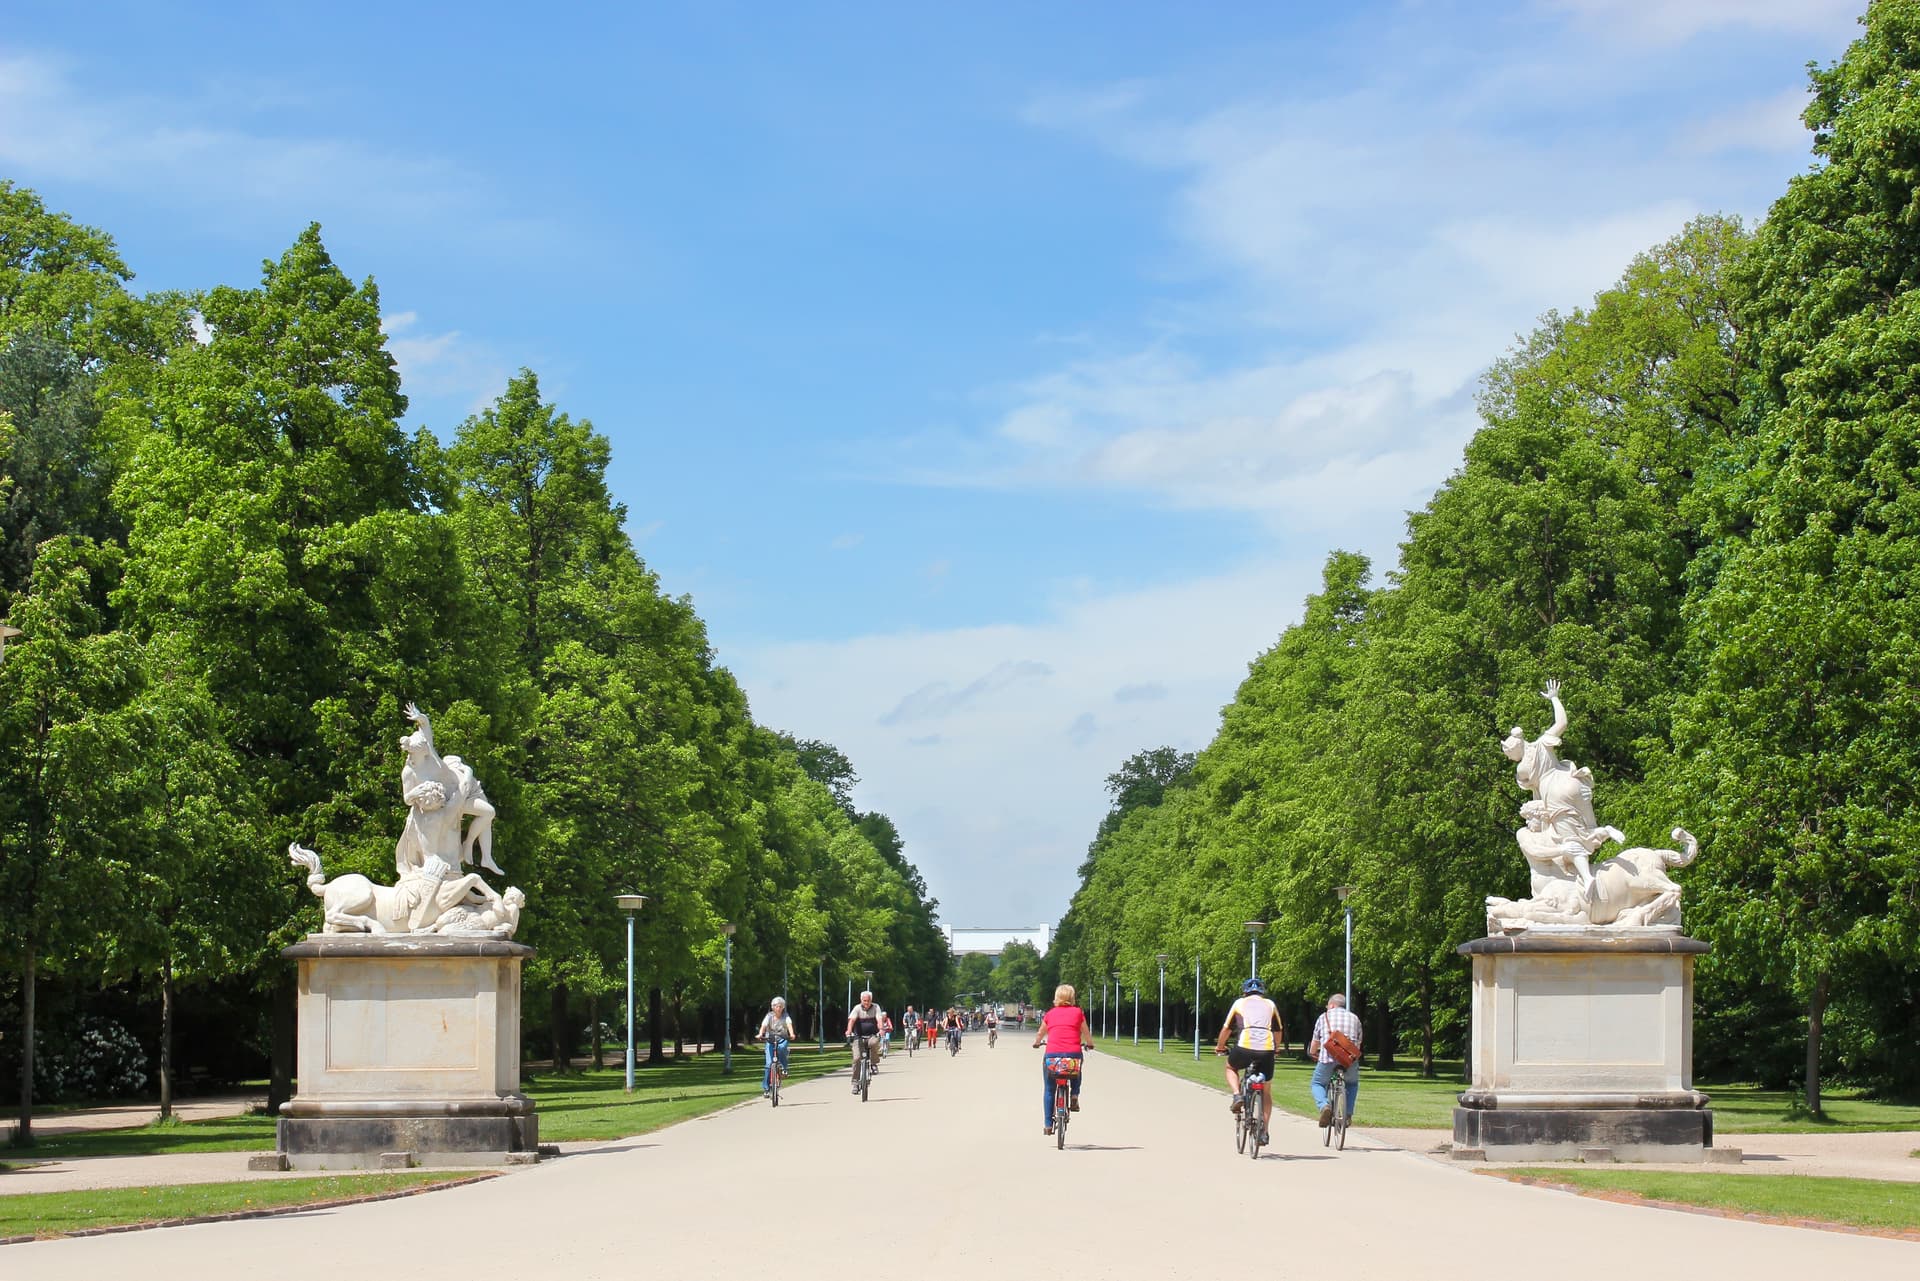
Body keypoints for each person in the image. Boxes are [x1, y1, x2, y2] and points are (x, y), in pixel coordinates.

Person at [1214, 977, 1282, 1144]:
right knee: (1266, 1091)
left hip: (1244, 1047)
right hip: (1266, 1049)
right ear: (1262, 992)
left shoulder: (1239, 1003)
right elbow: (1278, 1030)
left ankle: (1237, 1095)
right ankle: (1264, 1131)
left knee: (1230, 1067)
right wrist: (1276, 1049)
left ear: (1244, 992)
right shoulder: (1270, 1004)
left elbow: (1226, 1029)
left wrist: (1220, 1047)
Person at [1032, 983, 1094, 1136]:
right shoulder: (1078, 1013)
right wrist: (1090, 1044)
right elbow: (1086, 1032)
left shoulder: (1050, 1014)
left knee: (1049, 1089)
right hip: (1072, 1056)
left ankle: (1048, 1125)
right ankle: (1074, 1094)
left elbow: (1041, 1033)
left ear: (1057, 997)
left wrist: (1037, 1042)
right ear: (1072, 998)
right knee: (1077, 1068)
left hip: (1052, 1057)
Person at [1307, 993, 1363, 1126]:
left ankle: (1324, 1106)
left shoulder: (1324, 1017)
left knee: (1317, 1083)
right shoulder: (1355, 1018)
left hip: (1328, 1057)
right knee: (1352, 1084)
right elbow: (1358, 1043)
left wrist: (1312, 1053)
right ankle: (1347, 1114)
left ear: (1331, 1005)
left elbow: (1315, 1041)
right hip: (1349, 1060)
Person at [845, 990, 885, 1091]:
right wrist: (849, 1030)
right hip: (858, 1036)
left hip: (872, 1035)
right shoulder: (857, 1008)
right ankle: (855, 1082)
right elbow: (852, 1020)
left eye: (868, 1000)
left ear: (871, 1000)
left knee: (874, 1042)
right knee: (857, 1059)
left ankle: (873, 1063)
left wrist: (881, 1029)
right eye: (864, 1000)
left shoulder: (876, 1007)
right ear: (861, 1000)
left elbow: (879, 1019)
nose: (866, 1003)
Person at [756, 997, 795, 1095]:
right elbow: (763, 1026)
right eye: (776, 1006)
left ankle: (783, 1068)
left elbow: (789, 1025)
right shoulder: (769, 1016)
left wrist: (792, 1034)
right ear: (773, 1007)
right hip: (770, 1040)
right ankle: (766, 1089)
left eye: (780, 1006)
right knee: (769, 1065)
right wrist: (760, 1034)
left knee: (782, 1048)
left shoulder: (786, 1016)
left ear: (783, 1007)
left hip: (782, 1039)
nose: (778, 1008)